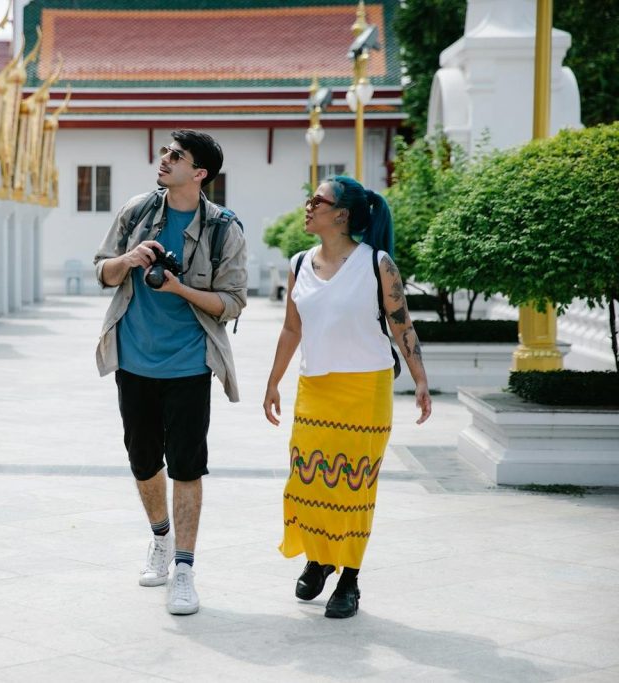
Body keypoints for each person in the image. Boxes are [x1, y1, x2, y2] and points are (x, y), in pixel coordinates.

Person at [262, 176, 432, 619]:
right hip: (315, 388)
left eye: (316, 200)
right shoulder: (299, 263)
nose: (307, 205)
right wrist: (273, 381)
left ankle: (349, 579)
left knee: (354, 488)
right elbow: (292, 328)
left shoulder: (377, 263)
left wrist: (420, 379)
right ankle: (319, 559)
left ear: (341, 215)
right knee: (309, 482)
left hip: (365, 389)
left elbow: (401, 324)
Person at [94, 130, 248, 615]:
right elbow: (102, 271)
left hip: (188, 365)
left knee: (186, 465)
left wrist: (181, 290)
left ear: (199, 173)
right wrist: (128, 259)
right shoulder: (138, 211)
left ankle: (184, 567)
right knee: (142, 461)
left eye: (176, 156)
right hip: (134, 360)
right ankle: (160, 538)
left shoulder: (224, 229)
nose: (164, 160)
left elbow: (232, 303)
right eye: (165, 151)